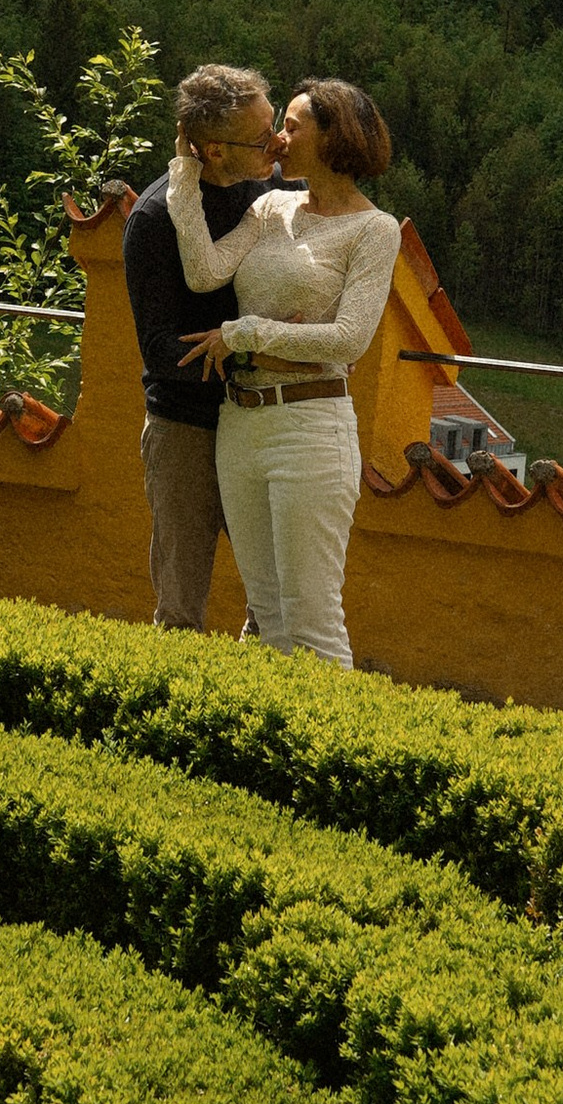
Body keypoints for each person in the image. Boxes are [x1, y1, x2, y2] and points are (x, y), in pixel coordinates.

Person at [167, 78, 401, 666]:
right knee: (267, 616)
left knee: (312, 624)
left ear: (334, 137)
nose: (277, 138)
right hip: (240, 426)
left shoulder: (375, 230)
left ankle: (337, 757)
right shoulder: (271, 205)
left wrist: (246, 334)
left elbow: (350, 339)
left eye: (293, 127)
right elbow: (204, 272)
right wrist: (182, 180)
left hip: (311, 431)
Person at [121, 62, 281, 628]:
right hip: (185, 428)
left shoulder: (272, 189)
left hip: (261, 424)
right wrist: (251, 355)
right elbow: (161, 351)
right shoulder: (154, 219)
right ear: (214, 150)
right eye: (263, 137)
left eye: (277, 124)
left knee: (275, 601)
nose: (277, 142)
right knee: (182, 608)